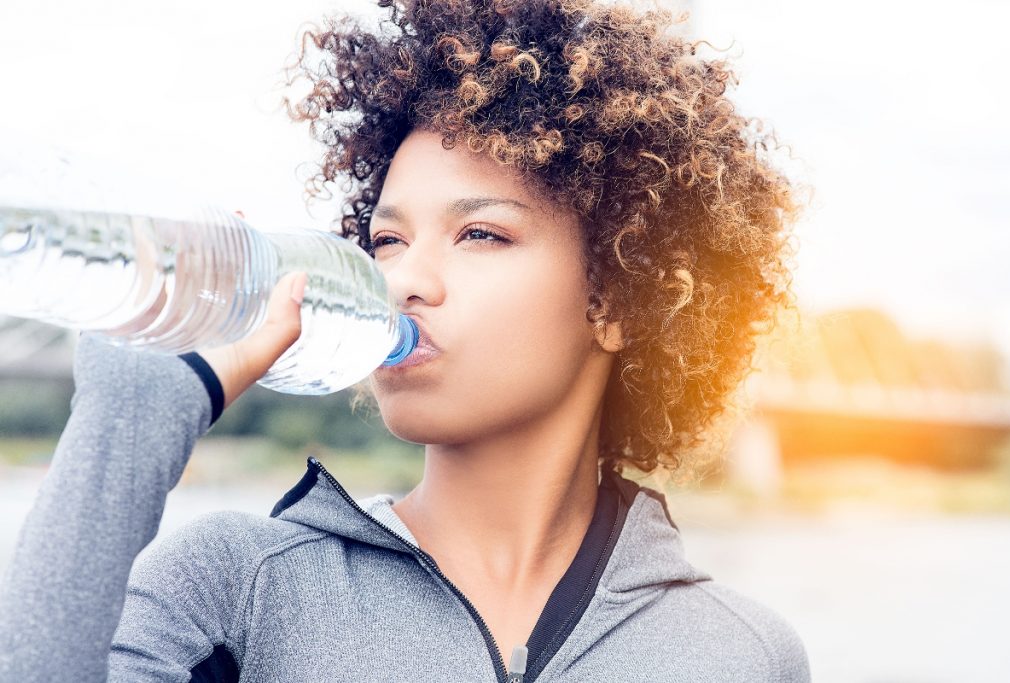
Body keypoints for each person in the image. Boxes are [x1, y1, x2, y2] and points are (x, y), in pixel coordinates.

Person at [0, 0, 811, 680]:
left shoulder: (742, 652)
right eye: (387, 241)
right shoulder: (236, 588)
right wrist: (132, 410)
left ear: (618, 300)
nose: (403, 281)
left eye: (481, 234)